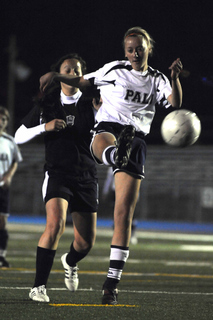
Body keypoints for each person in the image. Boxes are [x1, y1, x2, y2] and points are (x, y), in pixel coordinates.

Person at [39, 26, 183, 305]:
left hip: (136, 138)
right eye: (130, 49)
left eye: (139, 48)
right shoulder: (114, 70)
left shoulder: (157, 78)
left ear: (148, 48)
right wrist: (56, 76)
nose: (135, 53)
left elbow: (175, 102)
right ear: (125, 51)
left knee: (123, 213)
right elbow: (82, 81)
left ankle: (110, 284)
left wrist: (175, 79)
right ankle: (115, 155)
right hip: (109, 128)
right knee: (103, 144)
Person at [15, 53, 101, 302]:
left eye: (77, 70)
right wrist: (45, 126)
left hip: (86, 175)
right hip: (57, 173)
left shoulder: (93, 101)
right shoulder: (49, 103)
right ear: (60, 74)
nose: (73, 73)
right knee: (56, 225)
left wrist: (100, 117)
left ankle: (70, 260)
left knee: (85, 244)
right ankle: (38, 287)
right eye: (68, 69)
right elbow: (18, 135)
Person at [0, 106, 23, 268]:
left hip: (2, 187)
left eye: (3, 119)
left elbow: (15, 160)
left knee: (2, 222)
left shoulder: (9, 141)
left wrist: (8, 176)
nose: (1, 122)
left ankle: (1, 254)